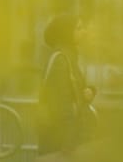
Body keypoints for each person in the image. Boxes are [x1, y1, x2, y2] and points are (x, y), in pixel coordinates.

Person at [37, 13, 96, 154]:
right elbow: (62, 104)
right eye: (79, 28)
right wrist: (69, 144)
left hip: (67, 137)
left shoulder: (69, 57)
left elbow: (75, 91)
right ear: (67, 32)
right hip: (61, 141)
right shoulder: (61, 60)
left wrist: (90, 91)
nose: (84, 32)